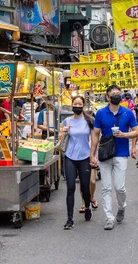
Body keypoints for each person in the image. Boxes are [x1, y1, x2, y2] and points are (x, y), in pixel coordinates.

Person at [91, 85, 138, 230]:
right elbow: (95, 134)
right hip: (105, 154)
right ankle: (109, 218)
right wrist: (92, 154)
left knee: (119, 187)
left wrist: (124, 135)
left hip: (121, 154)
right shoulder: (100, 114)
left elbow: (136, 132)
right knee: (106, 188)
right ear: (107, 97)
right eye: (113, 94)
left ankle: (121, 207)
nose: (117, 96)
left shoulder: (128, 113)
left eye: (118, 94)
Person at [59, 95, 95, 230]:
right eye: (75, 104)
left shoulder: (89, 120)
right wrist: (63, 132)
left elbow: (94, 139)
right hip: (70, 157)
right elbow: (61, 139)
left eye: (80, 104)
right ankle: (69, 219)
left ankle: (87, 206)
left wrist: (93, 156)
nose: (78, 106)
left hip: (85, 157)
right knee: (70, 188)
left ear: (83, 106)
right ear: (72, 105)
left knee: (85, 187)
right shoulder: (67, 121)